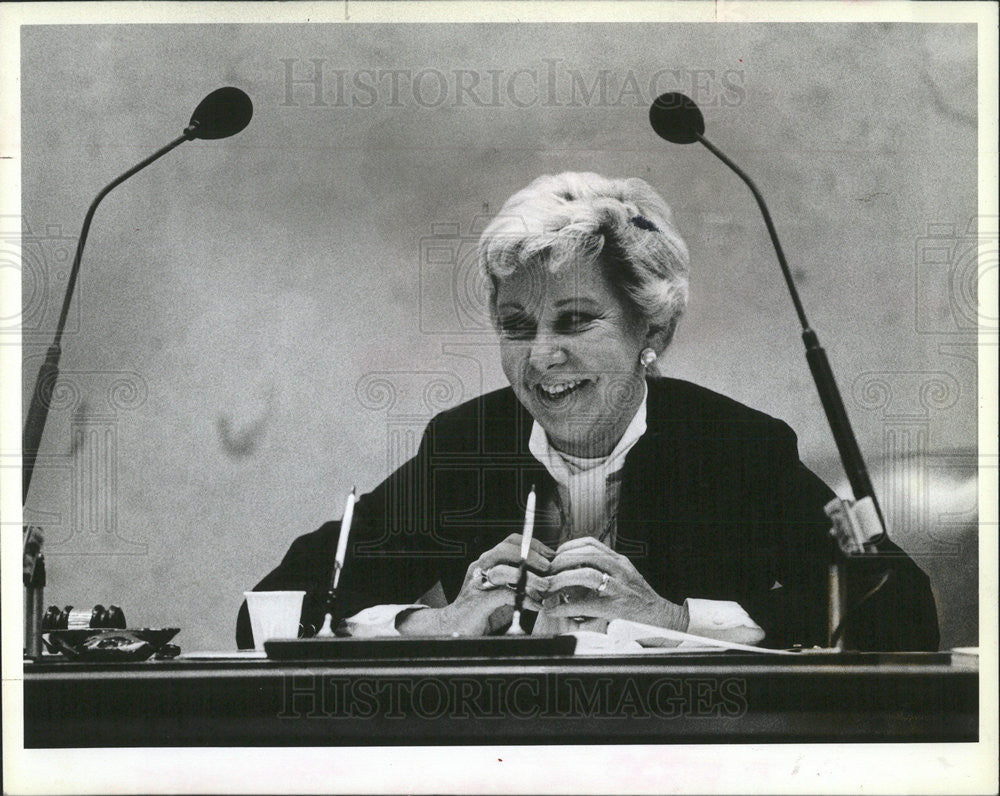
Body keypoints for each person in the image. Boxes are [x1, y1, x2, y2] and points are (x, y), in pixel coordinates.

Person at [237, 172, 938, 651]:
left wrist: (672, 620)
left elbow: (903, 609)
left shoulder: (732, 445)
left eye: (574, 322)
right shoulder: (468, 444)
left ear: (651, 334)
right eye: (517, 327)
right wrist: (440, 622)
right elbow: (265, 612)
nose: (541, 356)